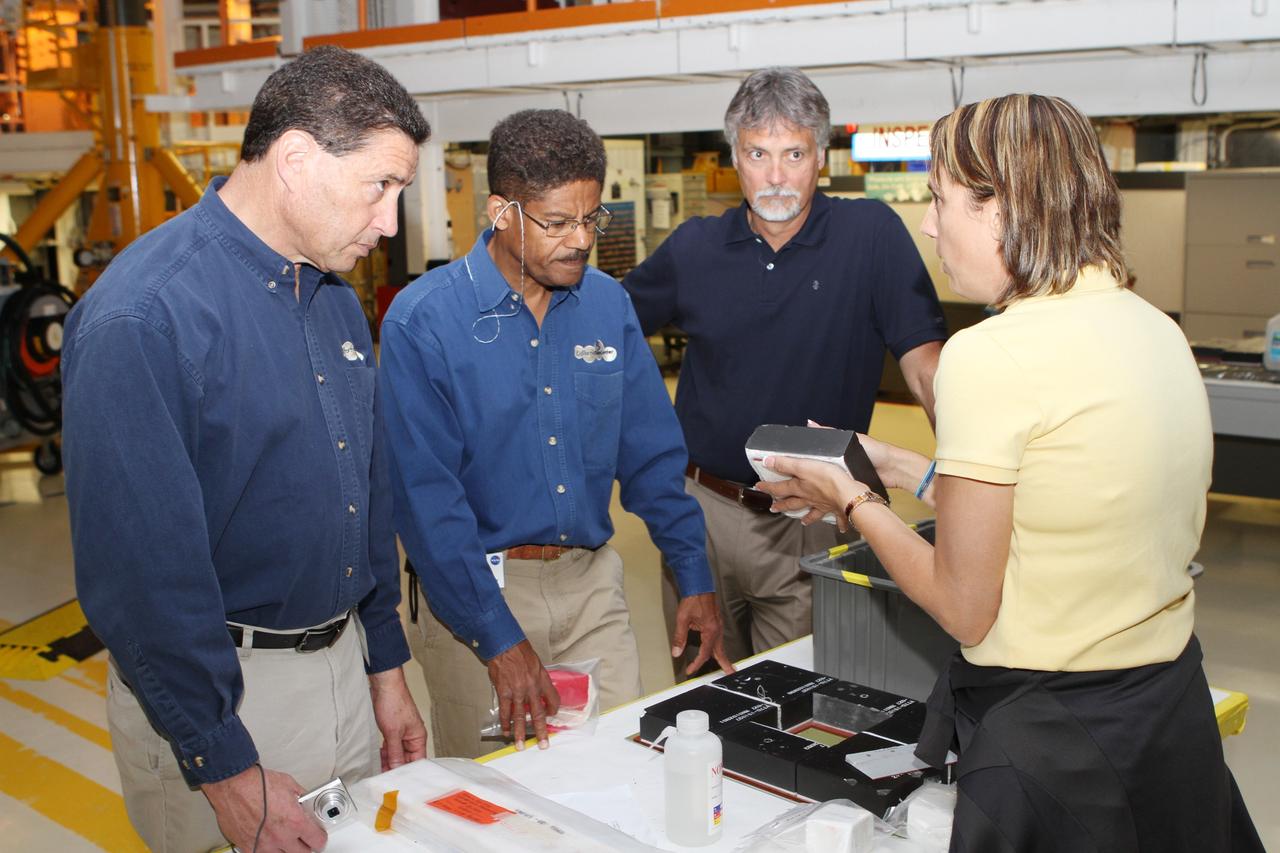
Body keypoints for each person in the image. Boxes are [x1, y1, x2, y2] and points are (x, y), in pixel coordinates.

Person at [756, 93, 1263, 852]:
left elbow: (966, 606)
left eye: (940, 199)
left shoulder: (992, 353)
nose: (928, 224)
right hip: (1164, 711)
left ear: (1004, 208)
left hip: (1054, 743)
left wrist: (855, 497)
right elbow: (1065, 499)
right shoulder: (1155, 330)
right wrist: (898, 463)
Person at [61, 46, 431, 853]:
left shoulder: (330, 296)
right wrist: (223, 765)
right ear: (295, 160)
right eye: (381, 187)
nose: (390, 223)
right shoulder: (144, 319)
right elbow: (140, 580)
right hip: (227, 697)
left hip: (344, 666)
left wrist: (386, 670)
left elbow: (363, 502)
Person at [381, 108, 733, 759]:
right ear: (501, 211)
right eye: (557, 222)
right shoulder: (424, 322)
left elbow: (653, 454)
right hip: (477, 595)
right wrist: (495, 636)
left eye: (591, 218)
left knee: (621, 767)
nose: (580, 240)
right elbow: (429, 504)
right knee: (496, 797)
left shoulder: (606, 304)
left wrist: (692, 571)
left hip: (590, 584)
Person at [623, 67, 947, 669]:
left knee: (799, 692)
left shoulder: (870, 237)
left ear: (820, 156)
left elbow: (927, 369)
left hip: (809, 512)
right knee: (700, 685)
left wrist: (964, 485)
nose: (775, 176)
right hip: (702, 514)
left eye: (793, 153)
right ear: (735, 158)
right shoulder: (695, 247)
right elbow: (607, 327)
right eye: (758, 154)